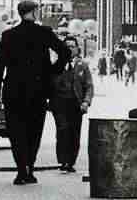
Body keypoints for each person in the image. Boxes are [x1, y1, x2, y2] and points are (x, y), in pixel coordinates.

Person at [0, 0, 71, 186]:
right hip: (38, 90)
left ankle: (21, 170)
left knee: (16, 131)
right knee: (34, 131)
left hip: (14, 91)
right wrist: (52, 71)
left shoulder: (9, 35)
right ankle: (30, 168)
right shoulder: (44, 33)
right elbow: (65, 52)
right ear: (34, 13)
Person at [51, 36, 93, 174]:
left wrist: (86, 102)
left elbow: (89, 86)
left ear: (77, 49)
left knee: (74, 133)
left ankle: (71, 161)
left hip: (76, 105)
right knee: (62, 129)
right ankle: (63, 160)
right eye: (67, 46)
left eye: (72, 46)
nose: (70, 49)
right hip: (59, 104)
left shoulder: (83, 66)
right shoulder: (55, 65)